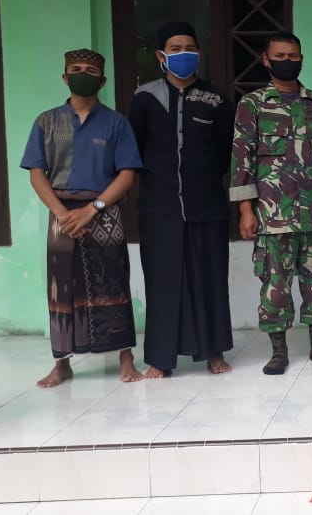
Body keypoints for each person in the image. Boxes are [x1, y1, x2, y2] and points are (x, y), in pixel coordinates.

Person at [20, 48, 144, 387]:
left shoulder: (117, 123)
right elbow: (36, 173)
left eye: (90, 70)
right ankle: (62, 363)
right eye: (75, 69)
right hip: (61, 213)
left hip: (104, 211)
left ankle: (125, 357)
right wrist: (62, 214)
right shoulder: (45, 122)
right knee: (61, 288)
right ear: (64, 77)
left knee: (113, 283)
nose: (82, 74)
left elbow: (128, 174)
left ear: (102, 81)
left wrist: (93, 209)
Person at [230, 31, 312, 375]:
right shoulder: (252, 104)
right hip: (272, 213)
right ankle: (278, 353)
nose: (287, 61)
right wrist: (245, 210)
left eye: (293, 56)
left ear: (301, 59)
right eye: (280, 56)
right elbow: (242, 159)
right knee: (275, 285)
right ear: (266, 60)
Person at [129, 21, 235, 378]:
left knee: (210, 280)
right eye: (175, 49)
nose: (183, 54)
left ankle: (213, 352)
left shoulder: (216, 99)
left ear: (199, 54)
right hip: (159, 207)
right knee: (163, 281)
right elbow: (134, 151)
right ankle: (160, 359)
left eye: (189, 48)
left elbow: (225, 152)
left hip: (207, 205)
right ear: (161, 55)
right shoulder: (145, 98)